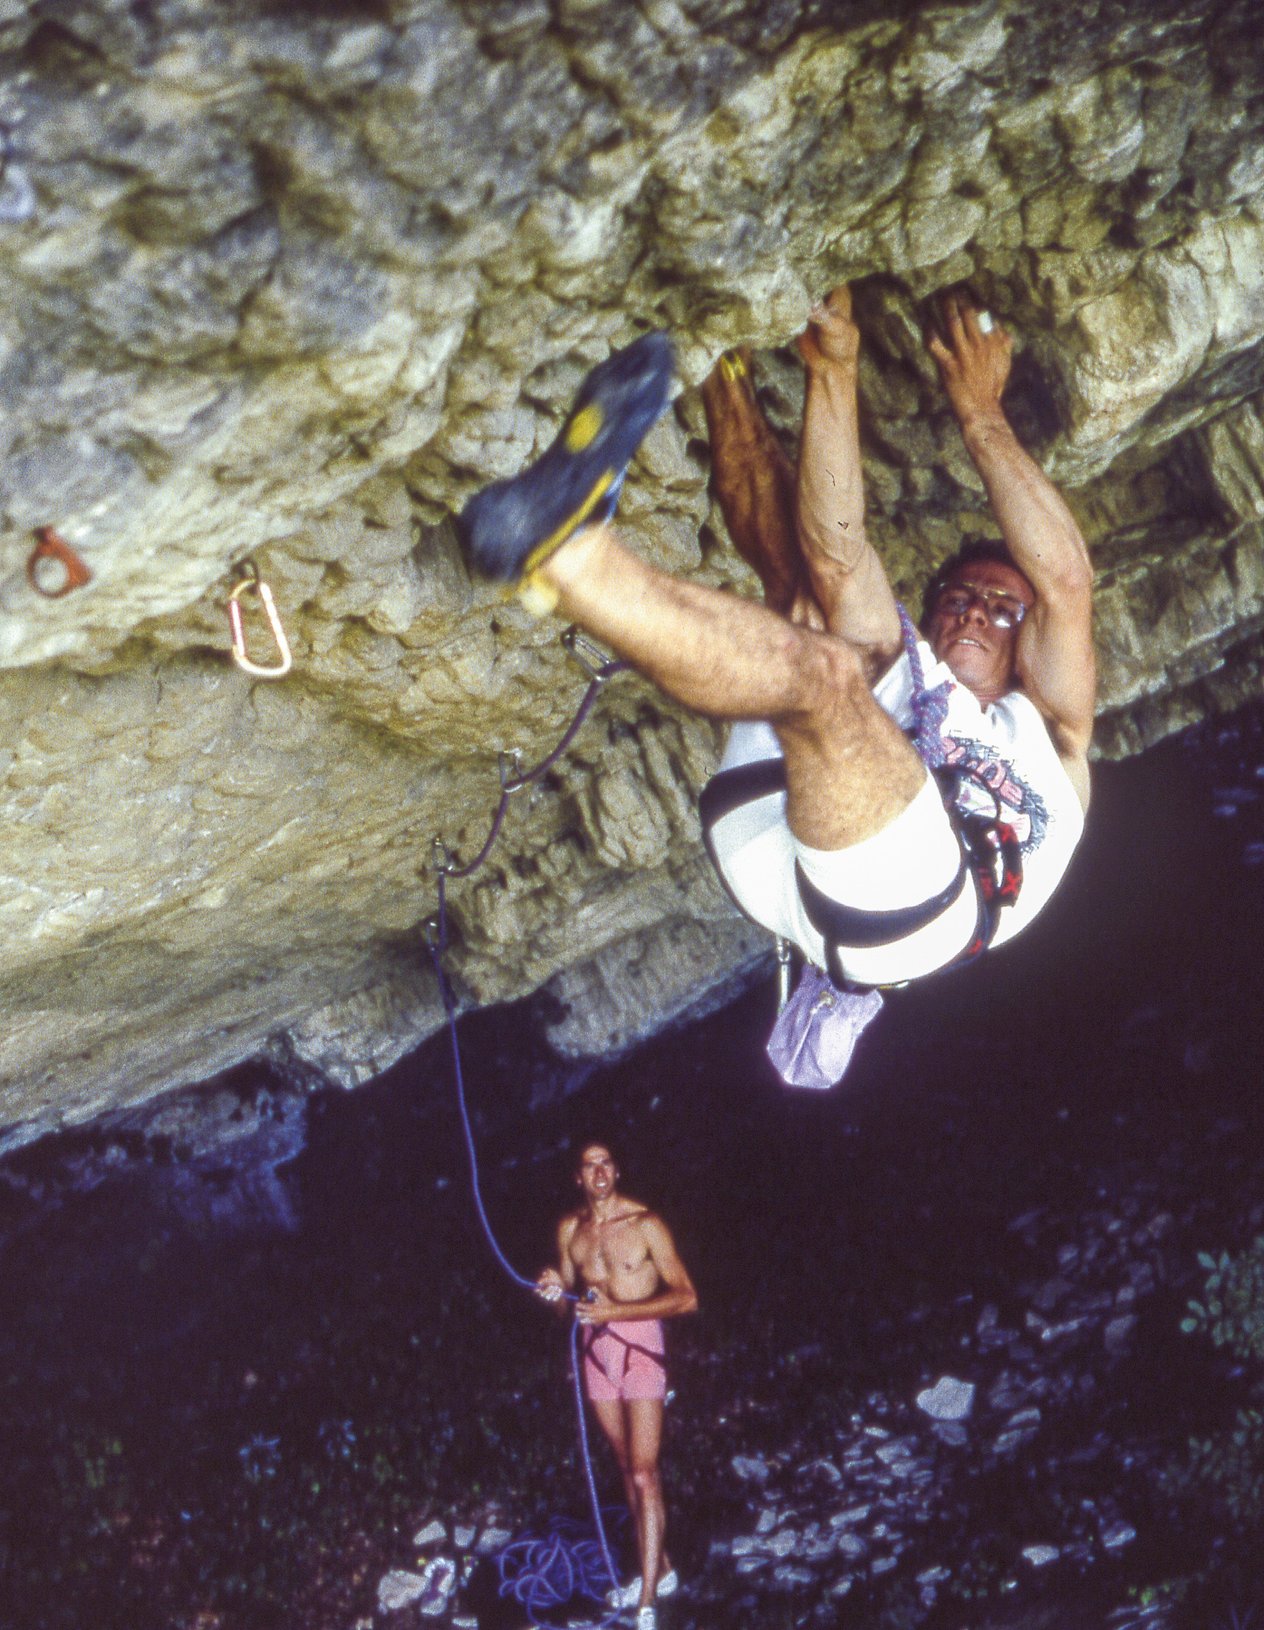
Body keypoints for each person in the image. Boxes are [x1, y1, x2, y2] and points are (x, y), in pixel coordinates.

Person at [459, 286, 1096, 992]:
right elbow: (838, 555)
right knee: (802, 589)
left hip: (917, 916)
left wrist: (980, 412)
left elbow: (1065, 583)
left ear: (1027, 652)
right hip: (779, 824)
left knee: (827, 679)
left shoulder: (1056, 735)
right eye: (960, 599)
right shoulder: (908, 666)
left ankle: (564, 553)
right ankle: (715, 365)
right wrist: (835, 368)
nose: (975, 614)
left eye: (1003, 609)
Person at [536, 1141, 698, 1628]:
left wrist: (616, 1312)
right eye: (590, 1165)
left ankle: (647, 1599)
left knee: (646, 1472)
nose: (600, 1171)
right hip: (594, 1353)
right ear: (578, 1177)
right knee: (627, 1467)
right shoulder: (571, 1230)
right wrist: (552, 1292)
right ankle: (660, 1567)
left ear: (617, 1171)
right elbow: (568, 1303)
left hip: (641, 1346)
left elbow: (687, 1298)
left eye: (606, 1162)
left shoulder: (645, 1224)